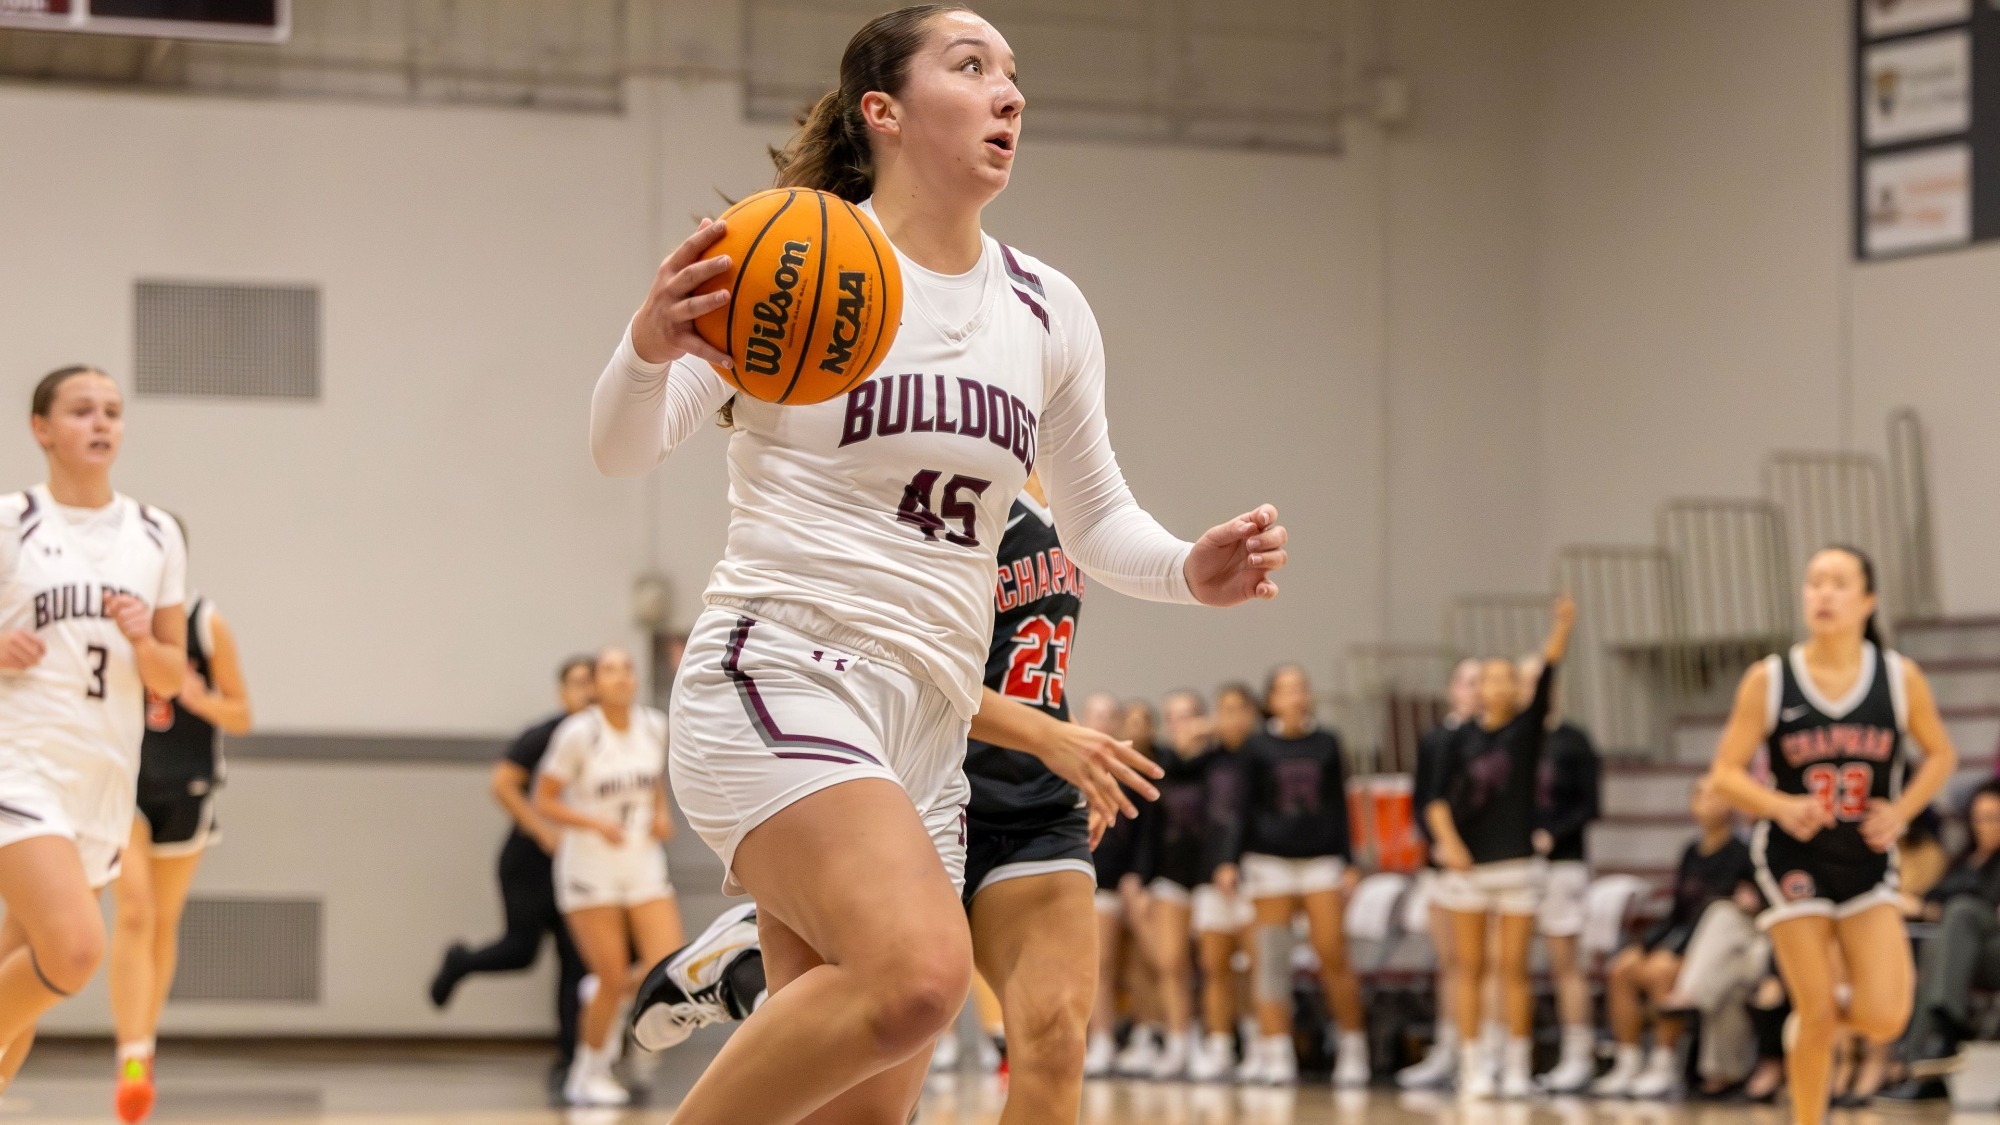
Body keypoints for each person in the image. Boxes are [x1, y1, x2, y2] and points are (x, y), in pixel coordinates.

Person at [590, 3, 1287, 1116]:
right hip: (785, 669)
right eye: (970, 68)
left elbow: (1097, 520)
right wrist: (644, 348)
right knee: (918, 979)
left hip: (926, 725)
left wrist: (1186, 570)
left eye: (1013, 74)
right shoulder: (785, 256)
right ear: (885, 111)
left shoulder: (1044, 307)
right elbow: (620, 450)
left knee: (864, 1105)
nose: (1008, 93)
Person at [1706, 545, 1958, 1125]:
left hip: (1866, 855)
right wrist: (1778, 804)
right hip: (1794, 854)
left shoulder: (1899, 678)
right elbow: (1723, 772)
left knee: (1886, 1017)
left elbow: (1942, 755)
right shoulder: (1769, 679)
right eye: (1814, 582)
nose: (1822, 593)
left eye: (1838, 583)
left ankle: (1819, 1022)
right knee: (1815, 1009)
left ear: (1867, 601)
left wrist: (1902, 810)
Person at [0, 365, 187, 1103]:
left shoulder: (156, 532)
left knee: (23, 963)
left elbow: (171, 678)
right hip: (18, 765)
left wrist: (147, 644)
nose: (101, 422)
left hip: (103, 783)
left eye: (112, 410)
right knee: (74, 952)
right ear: (42, 429)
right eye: (81, 410)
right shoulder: (11, 520)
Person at [109, 573, 250, 1123]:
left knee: (163, 922)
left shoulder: (204, 623)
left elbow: (242, 714)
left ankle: (144, 1040)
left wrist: (197, 696)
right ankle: (132, 1057)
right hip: (121, 783)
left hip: (186, 785)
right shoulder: (110, 616)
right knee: (136, 912)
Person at [1424, 595, 1577, 1099]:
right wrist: (1450, 845)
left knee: (1512, 969)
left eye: (1508, 678)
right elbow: (1435, 801)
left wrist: (1561, 628)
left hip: (1515, 863)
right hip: (1467, 869)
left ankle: (1515, 1064)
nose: (1499, 686)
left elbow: (1550, 668)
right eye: (1489, 678)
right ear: (1477, 689)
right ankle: (1472, 1063)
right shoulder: (1455, 739)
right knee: (1468, 967)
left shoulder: (1525, 731)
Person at [429, 655, 596, 1088]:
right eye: (578, 683)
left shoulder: (605, 740)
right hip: (528, 863)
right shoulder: (545, 735)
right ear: (563, 691)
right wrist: (541, 831)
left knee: (575, 963)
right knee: (521, 950)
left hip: (580, 865)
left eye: (592, 682)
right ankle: (461, 961)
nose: (588, 691)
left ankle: (570, 1061)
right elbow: (501, 784)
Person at [533, 646, 685, 1107]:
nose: (621, 678)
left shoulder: (655, 725)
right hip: (589, 864)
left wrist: (660, 814)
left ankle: (620, 1012)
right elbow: (546, 799)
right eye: (610, 671)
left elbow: (653, 780)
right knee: (612, 970)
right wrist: (594, 822)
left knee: (668, 964)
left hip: (641, 857)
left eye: (627, 669)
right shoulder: (578, 733)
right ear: (595, 684)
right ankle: (587, 1073)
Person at [1235, 665, 1368, 1087]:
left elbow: (1339, 804)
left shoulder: (1327, 742)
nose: (1295, 695)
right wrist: (1229, 859)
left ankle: (1352, 1046)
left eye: (1300, 687)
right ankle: (1277, 1054)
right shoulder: (1256, 746)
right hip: (1269, 860)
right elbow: (1241, 807)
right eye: (1285, 689)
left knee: (1332, 952)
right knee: (1271, 959)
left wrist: (1350, 860)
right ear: (1270, 699)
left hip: (1320, 860)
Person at [1592, 776, 1752, 1099]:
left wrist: (1674, 952)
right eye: (1700, 795)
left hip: (1709, 949)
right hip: (1678, 937)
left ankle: (1664, 1064)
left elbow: (1720, 914)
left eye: (1714, 796)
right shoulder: (1691, 851)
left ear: (1730, 804)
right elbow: (1677, 910)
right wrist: (1647, 946)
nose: (1706, 803)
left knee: (1663, 971)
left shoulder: (1740, 854)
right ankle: (1628, 1061)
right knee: (1623, 967)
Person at [1881, 780, 2000, 1101]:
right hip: (1961, 952)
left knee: (1960, 915)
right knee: (1936, 948)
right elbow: (1934, 898)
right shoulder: (1963, 860)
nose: (1985, 826)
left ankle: (1939, 1036)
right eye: (1979, 818)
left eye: (1993, 817)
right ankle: (1926, 1061)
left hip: (1993, 950)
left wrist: (1930, 909)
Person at [1397, 657, 1481, 1090]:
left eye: (1481, 682)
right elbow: (1423, 799)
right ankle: (1450, 1045)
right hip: (1445, 865)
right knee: (1451, 962)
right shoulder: (1437, 738)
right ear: (1452, 690)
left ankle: (1489, 1048)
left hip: (1489, 864)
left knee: (1487, 963)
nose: (1475, 689)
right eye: (1467, 682)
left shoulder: (1496, 737)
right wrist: (1440, 845)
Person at [1528, 659, 1601, 1094]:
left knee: (1565, 964)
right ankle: (1501, 1053)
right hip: (1516, 866)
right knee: (1505, 963)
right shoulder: (1515, 740)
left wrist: (1551, 835)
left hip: (1564, 863)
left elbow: (1590, 805)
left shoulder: (1574, 741)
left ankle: (1578, 1055)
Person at [1133, 689, 1214, 1080]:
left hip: (1214, 875)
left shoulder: (1221, 763)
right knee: (1169, 961)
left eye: (1188, 716)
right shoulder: (1161, 764)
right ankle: (1181, 1040)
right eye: (1172, 718)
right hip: (1170, 874)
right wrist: (1145, 880)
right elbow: (1148, 828)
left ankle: (1224, 1041)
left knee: (1218, 963)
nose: (1180, 726)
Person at [1189, 683, 1258, 1082]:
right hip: (1209, 870)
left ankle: (1257, 1042)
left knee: (1253, 964)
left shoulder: (1261, 755)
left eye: (1238, 709)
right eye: (1224, 709)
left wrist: (1234, 860)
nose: (1231, 718)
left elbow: (1251, 814)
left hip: (1252, 871)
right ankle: (1219, 1044)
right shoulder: (1207, 760)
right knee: (1213, 965)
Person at [1082, 693, 1150, 1078]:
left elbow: (1142, 829)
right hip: (1082, 877)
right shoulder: (1067, 762)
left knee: (1118, 964)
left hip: (1116, 880)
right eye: (1097, 714)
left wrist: (1134, 876)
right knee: (1092, 965)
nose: (1103, 721)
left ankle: (1114, 1037)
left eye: (1110, 715)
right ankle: (1097, 1038)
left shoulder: (1128, 767)